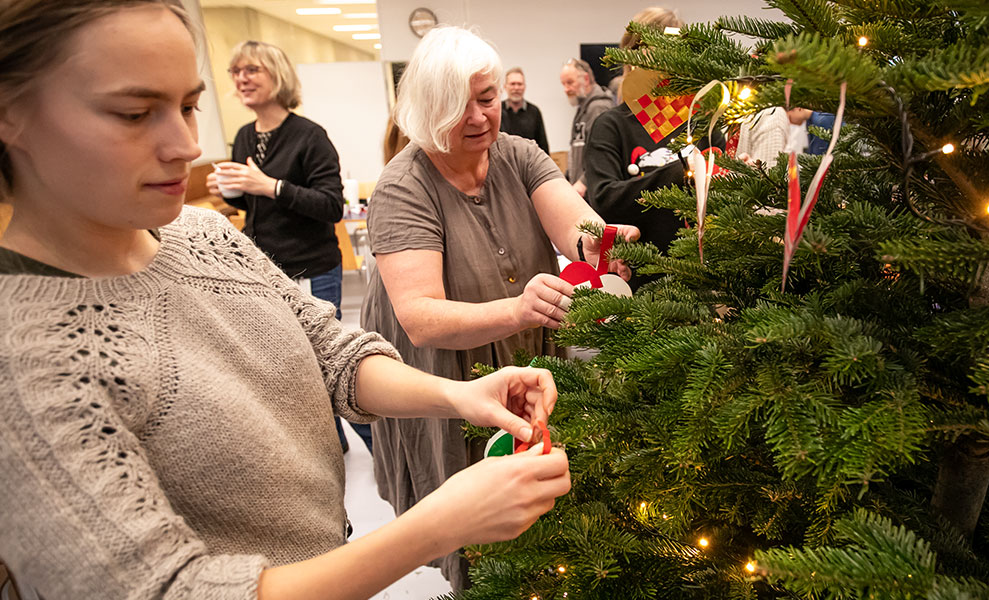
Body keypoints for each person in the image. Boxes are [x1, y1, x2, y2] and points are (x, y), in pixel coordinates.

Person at [0, 2, 570, 598]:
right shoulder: (26, 355)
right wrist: (437, 525)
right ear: (12, 113)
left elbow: (332, 354)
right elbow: (173, 589)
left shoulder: (204, 236)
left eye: (190, 106)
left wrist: (458, 394)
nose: (187, 146)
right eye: (135, 113)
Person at [361, 26, 639, 589]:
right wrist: (517, 309)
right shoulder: (402, 187)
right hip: (449, 372)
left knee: (542, 505)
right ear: (424, 109)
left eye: (486, 98)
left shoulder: (519, 155)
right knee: (478, 529)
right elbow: (422, 318)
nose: (478, 117)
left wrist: (596, 243)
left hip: (524, 353)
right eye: (455, 105)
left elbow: (574, 226)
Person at [204, 39, 366, 453]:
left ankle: (379, 446)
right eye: (236, 72)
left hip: (310, 267)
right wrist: (232, 192)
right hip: (264, 269)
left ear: (277, 76)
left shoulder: (309, 136)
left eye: (252, 70)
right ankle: (335, 445)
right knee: (298, 366)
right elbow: (255, 203)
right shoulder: (244, 136)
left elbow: (330, 205)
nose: (241, 79)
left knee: (329, 361)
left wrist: (269, 185)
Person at [584, 7, 724, 289]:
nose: (665, 64)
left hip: (701, 284)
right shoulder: (611, 125)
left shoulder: (701, 124)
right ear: (632, 59)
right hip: (632, 285)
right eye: (655, 52)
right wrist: (683, 171)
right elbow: (603, 199)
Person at [560, 57, 616, 198]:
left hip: (591, 194)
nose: (566, 89)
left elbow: (602, 153)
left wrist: (583, 182)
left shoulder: (598, 107)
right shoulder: (583, 108)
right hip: (581, 193)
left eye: (570, 83)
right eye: (563, 84)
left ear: (585, 79)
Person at [500, 67, 550, 154]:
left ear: (524, 87)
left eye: (519, 84)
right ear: (505, 86)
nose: (516, 88)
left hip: (528, 165)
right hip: (502, 164)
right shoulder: (497, 110)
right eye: (512, 84)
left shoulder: (534, 112)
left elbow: (543, 145)